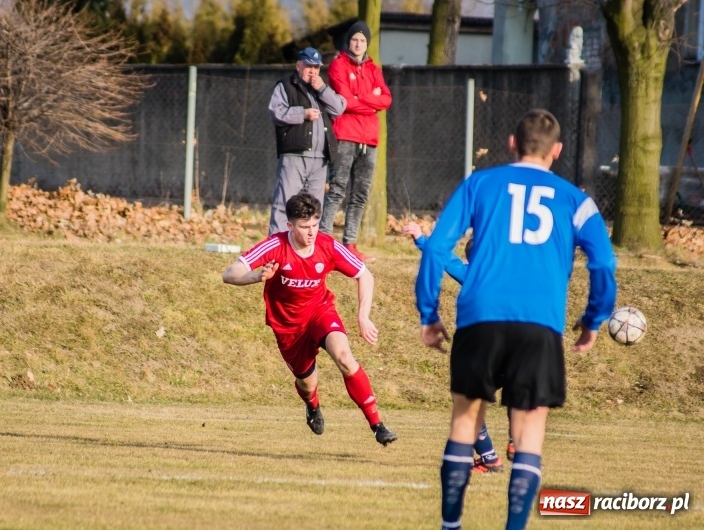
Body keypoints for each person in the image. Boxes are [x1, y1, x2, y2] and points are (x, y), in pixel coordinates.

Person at [414, 109, 616, 530]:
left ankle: (451, 526)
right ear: (557, 151)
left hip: (479, 318)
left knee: (465, 422)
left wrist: (428, 313)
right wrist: (593, 318)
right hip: (539, 324)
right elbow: (603, 263)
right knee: (527, 437)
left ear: (511, 144)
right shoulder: (576, 200)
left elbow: (436, 248)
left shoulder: (480, 184)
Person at [223, 192, 397, 446]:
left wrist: (363, 316)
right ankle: (312, 406)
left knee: (345, 357)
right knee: (307, 384)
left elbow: (365, 275)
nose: (311, 232)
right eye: (304, 227)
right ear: (290, 225)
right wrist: (257, 277)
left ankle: (377, 425)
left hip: (320, 313)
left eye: (315, 225)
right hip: (288, 327)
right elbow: (230, 273)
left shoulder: (327, 246)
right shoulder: (275, 246)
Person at [404, 223, 505, 473]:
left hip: (484, 349)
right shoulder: (505, 276)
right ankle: (490, 456)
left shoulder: (471, 274)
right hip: (513, 350)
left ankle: (491, 458)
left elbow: (443, 258)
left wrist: (420, 238)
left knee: (467, 400)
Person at [320, 20, 392, 263]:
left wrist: (360, 98)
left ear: (367, 44)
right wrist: (370, 99)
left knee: (360, 194)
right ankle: (324, 240)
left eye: (362, 40)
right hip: (345, 136)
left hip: (369, 138)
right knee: (337, 189)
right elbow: (344, 100)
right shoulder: (338, 65)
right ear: (348, 42)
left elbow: (387, 100)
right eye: (354, 40)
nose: (358, 44)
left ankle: (349, 245)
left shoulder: (374, 69)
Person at [268, 47, 346, 236]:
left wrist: (322, 88)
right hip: (294, 156)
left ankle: (306, 256)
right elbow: (275, 112)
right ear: (298, 66)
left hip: (319, 159)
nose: (313, 71)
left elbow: (338, 109)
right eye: (308, 66)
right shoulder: (285, 85)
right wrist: (302, 114)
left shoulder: (322, 89)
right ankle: (275, 258)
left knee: (313, 209)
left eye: (317, 67)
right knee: (284, 205)